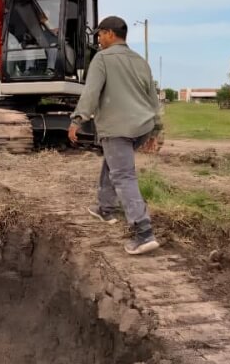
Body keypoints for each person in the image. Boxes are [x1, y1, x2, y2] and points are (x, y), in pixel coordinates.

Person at [68, 15, 162, 255]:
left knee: (123, 175)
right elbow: (153, 97)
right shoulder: (140, 61)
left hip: (117, 127)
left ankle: (144, 233)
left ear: (110, 34)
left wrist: (78, 119)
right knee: (112, 163)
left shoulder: (102, 59)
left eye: (100, 34)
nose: (98, 39)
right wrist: (156, 130)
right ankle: (104, 208)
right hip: (141, 127)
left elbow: (91, 93)